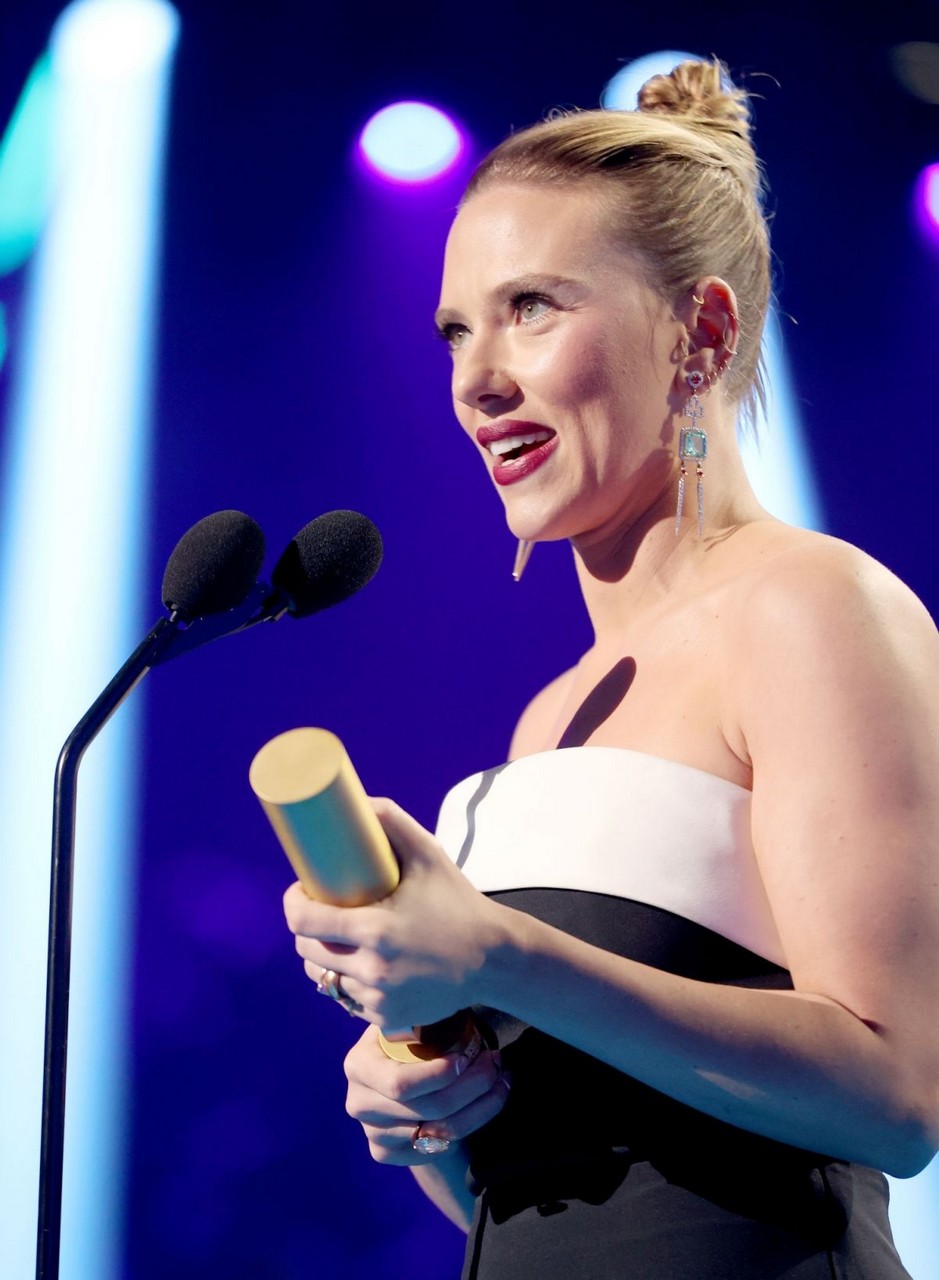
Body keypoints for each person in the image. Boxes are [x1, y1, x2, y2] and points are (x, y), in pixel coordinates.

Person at [283, 59, 939, 1278]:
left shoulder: (811, 608)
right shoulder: (551, 719)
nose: (477, 379)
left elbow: (896, 1094)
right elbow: (571, 1188)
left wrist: (493, 951)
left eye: (533, 306)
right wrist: (424, 1108)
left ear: (700, 333)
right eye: (456, 329)